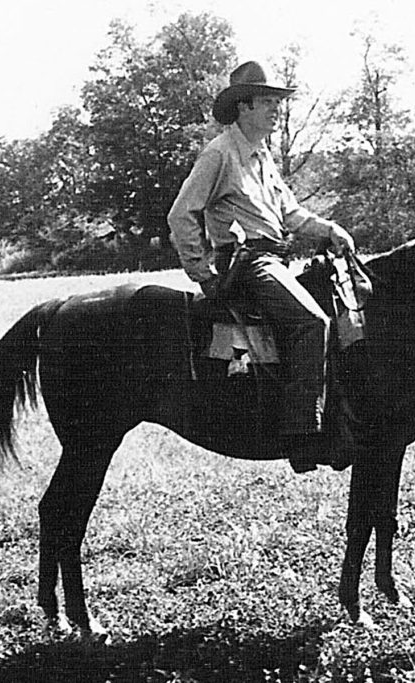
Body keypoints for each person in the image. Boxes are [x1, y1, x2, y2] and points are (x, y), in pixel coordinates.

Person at [167, 60, 356, 466]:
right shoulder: (219, 155)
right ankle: (302, 435)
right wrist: (202, 273)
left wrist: (329, 230)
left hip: (274, 259)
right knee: (313, 323)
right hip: (249, 262)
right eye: (268, 102)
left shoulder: (261, 156)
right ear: (244, 107)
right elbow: (181, 214)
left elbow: (291, 214)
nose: (276, 109)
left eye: (277, 102)